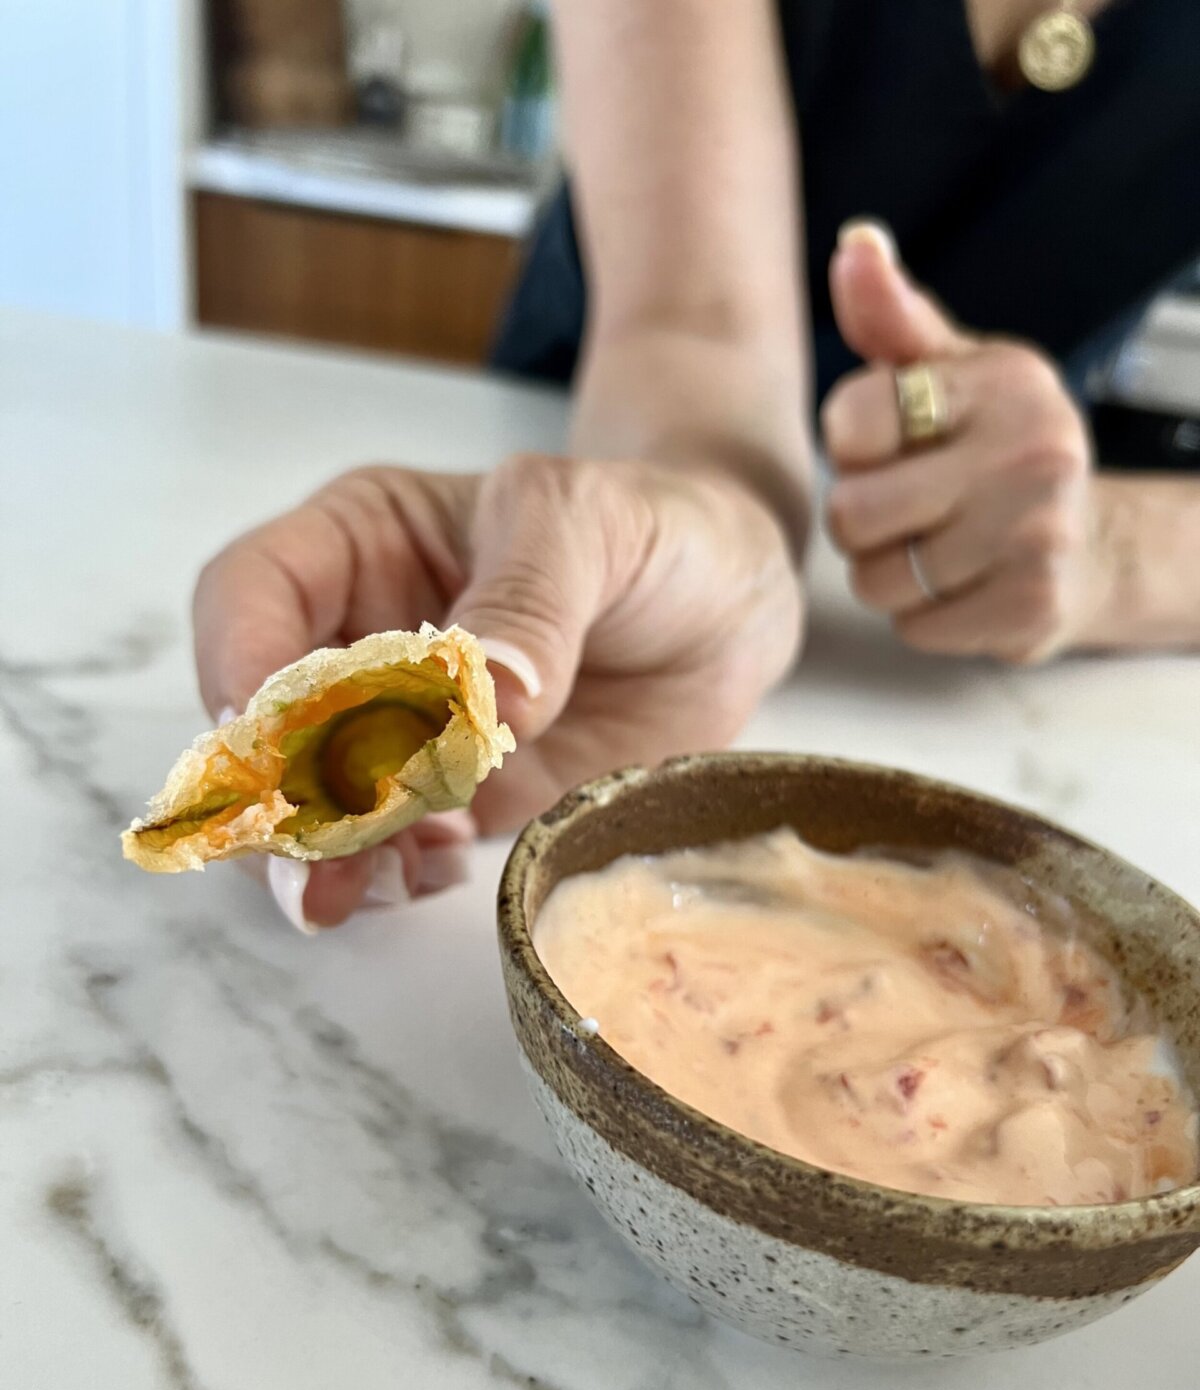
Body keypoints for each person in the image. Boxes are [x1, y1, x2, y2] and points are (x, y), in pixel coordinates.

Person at [194, 0, 1200, 932]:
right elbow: (693, 332)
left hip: (1014, 620)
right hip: (599, 447)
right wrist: (701, 551)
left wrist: (1108, 551)